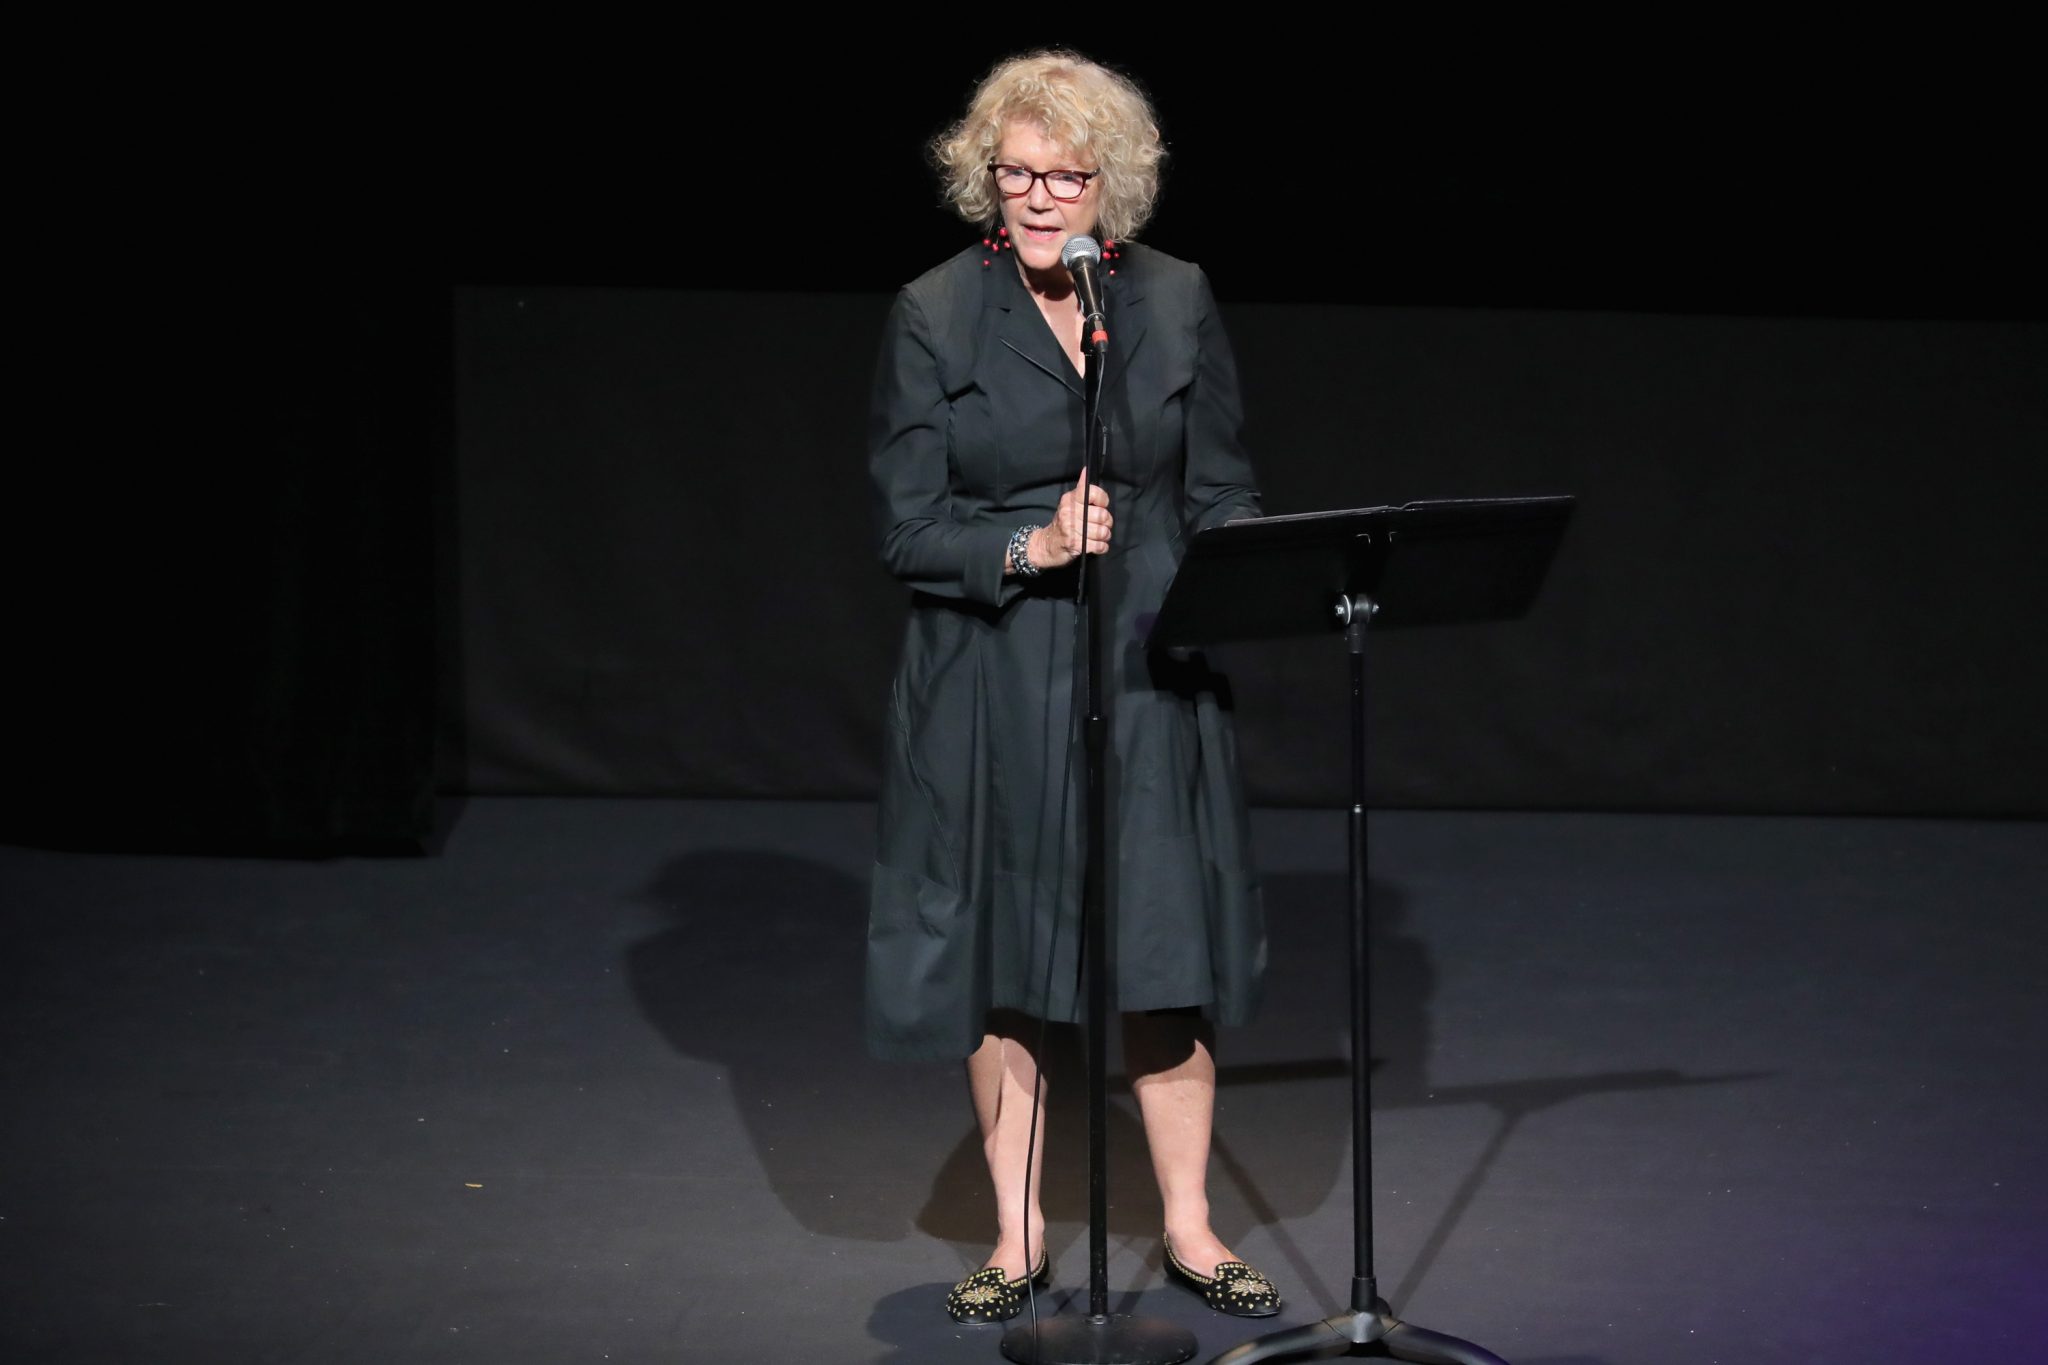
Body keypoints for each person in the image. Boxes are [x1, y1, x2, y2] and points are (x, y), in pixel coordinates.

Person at [864, 50, 1279, 1325]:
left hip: (1147, 661)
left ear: (1114, 183)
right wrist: (1026, 546)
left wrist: (1247, 576)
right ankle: (1017, 1234)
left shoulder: (1172, 296)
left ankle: (1191, 1226)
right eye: (1016, 173)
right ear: (983, 176)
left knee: (1161, 945)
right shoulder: (935, 311)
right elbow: (906, 529)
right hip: (993, 679)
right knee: (1010, 960)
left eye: (1067, 176)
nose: (1039, 198)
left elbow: (1218, 486)